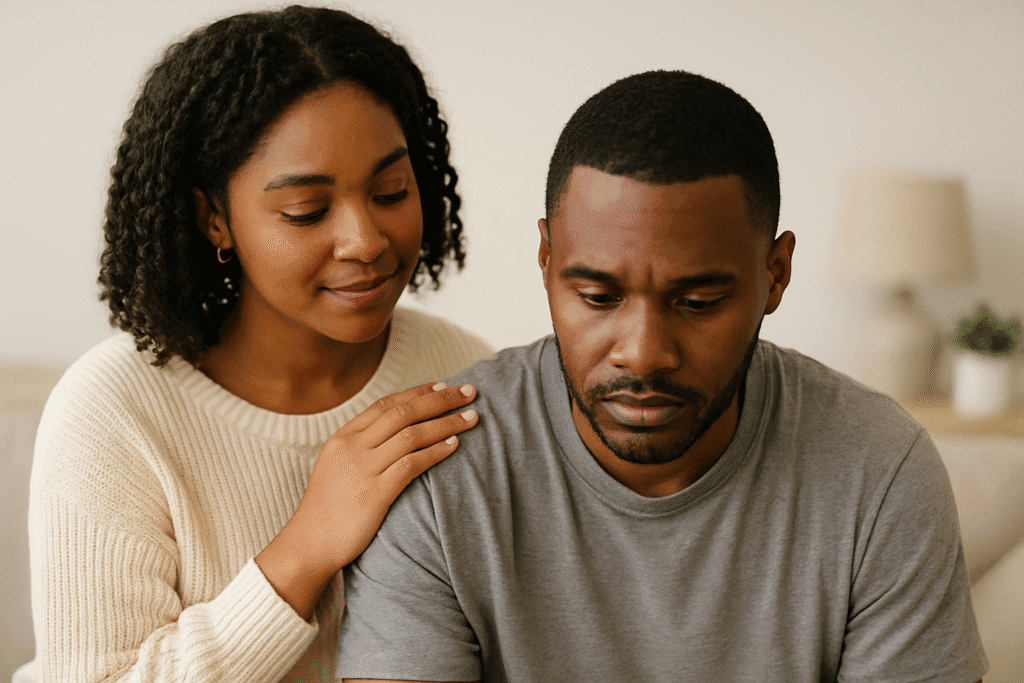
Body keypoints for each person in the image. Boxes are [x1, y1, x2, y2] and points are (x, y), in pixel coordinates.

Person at [336, 70, 988, 682]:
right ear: (546, 259)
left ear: (775, 274)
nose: (643, 355)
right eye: (597, 296)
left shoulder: (880, 469)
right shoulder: (442, 471)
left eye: (697, 303)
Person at [27, 6, 493, 682]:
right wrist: (306, 547)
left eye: (392, 190)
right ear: (213, 217)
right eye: (307, 210)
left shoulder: (461, 373)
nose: (365, 239)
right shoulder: (114, 412)